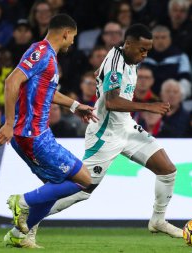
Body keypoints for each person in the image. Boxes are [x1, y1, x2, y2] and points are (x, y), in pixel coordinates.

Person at [45, 23, 183, 238]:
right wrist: (149, 106)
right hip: (105, 133)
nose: (145, 55)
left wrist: (101, 74)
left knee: (167, 170)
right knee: (83, 189)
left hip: (126, 127)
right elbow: (111, 102)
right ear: (128, 44)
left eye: (148, 50)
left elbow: (104, 75)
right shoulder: (116, 61)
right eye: (142, 49)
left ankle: (158, 220)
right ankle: (30, 214)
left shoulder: (128, 57)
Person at [0, 14, 97, 248]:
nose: (73, 42)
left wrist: (74, 105)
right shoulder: (40, 52)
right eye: (73, 38)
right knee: (84, 180)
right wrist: (9, 123)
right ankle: (23, 201)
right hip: (32, 135)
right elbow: (11, 82)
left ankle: (20, 236)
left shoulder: (48, 56)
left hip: (37, 133)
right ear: (66, 33)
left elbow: (47, 91)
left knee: (53, 190)